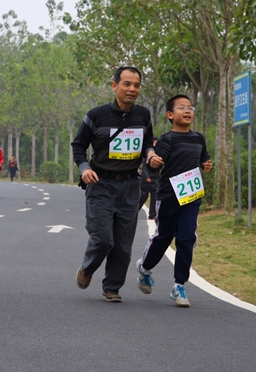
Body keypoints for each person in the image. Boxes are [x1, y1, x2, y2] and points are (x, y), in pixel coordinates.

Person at [71, 66, 157, 303]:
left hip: (130, 186)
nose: (132, 89)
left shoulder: (143, 115)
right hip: (101, 184)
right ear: (114, 86)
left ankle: (112, 287)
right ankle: (87, 269)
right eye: (127, 84)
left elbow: (147, 143)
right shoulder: (96, 115)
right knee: (102, 239)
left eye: (137, 85)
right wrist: (84, 168)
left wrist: (150, 154)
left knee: (122, 244)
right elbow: (78, 146)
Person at [136, 94, 212, 307]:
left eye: (190, 108)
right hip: (169, 196)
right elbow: (154, 164)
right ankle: (144, 268)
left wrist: (207, 164)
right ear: (170, 115)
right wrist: (154, 162)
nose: (187, 111)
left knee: (187, 238)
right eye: (181, 107)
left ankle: (179, 285)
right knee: (163, 237)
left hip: (191, 197)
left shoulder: (198, 138)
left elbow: (203, 158)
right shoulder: (167, 139)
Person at [138, 138, 159, 220]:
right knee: (143, 197)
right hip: (146, 180)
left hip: (155, 180)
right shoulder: (148, 153)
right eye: (155, 143)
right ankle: (134, 211)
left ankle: (152, 215)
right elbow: (144, 167)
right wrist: (147, 177)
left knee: (154, 198)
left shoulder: (158, 154)